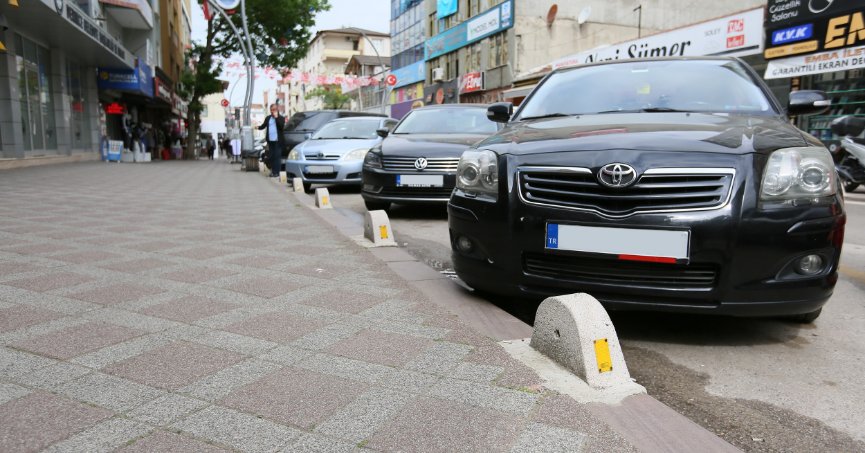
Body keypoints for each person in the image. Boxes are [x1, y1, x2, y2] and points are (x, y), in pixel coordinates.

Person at [258, 103, 286, 177]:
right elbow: (263, 125)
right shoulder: (268, 118)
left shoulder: (281, 118)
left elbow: (281, 127)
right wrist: (257, 127)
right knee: (272, 157)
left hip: (278, 141)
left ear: (277, 110)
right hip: (270, 141)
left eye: (274, 110)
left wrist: (276, 118)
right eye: (271, 110)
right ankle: (273, 172)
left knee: (277, 157)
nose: (273, 111)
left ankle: (277, 173)